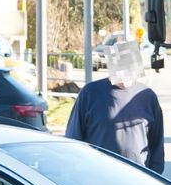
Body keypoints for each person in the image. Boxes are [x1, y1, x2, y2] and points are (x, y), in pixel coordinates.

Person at [64, 39, 165, 173]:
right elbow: (74, 137)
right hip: (97, 176)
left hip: (138, 178)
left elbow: (156, 143)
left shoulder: (147, 96)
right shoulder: (90, 93)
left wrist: (155, 177)